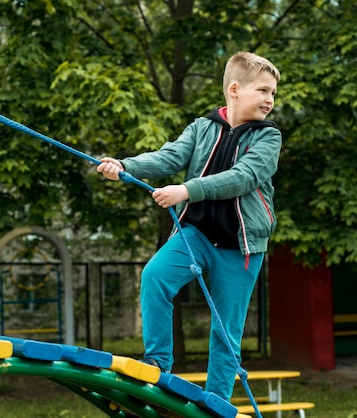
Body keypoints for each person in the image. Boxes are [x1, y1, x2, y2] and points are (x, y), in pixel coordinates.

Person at [97, 51, 281, 401]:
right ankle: (157, 363)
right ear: (235, 88)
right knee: (155, 276)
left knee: (225, 331)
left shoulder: (268, 138)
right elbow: (169, 157)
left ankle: (216, 402)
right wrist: (125, 165)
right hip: (195, 233)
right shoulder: (202, 127)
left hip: (240, 245)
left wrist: (186, 190)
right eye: (263, 90)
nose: (269, 99)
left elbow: (242, 178)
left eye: (273, 93)